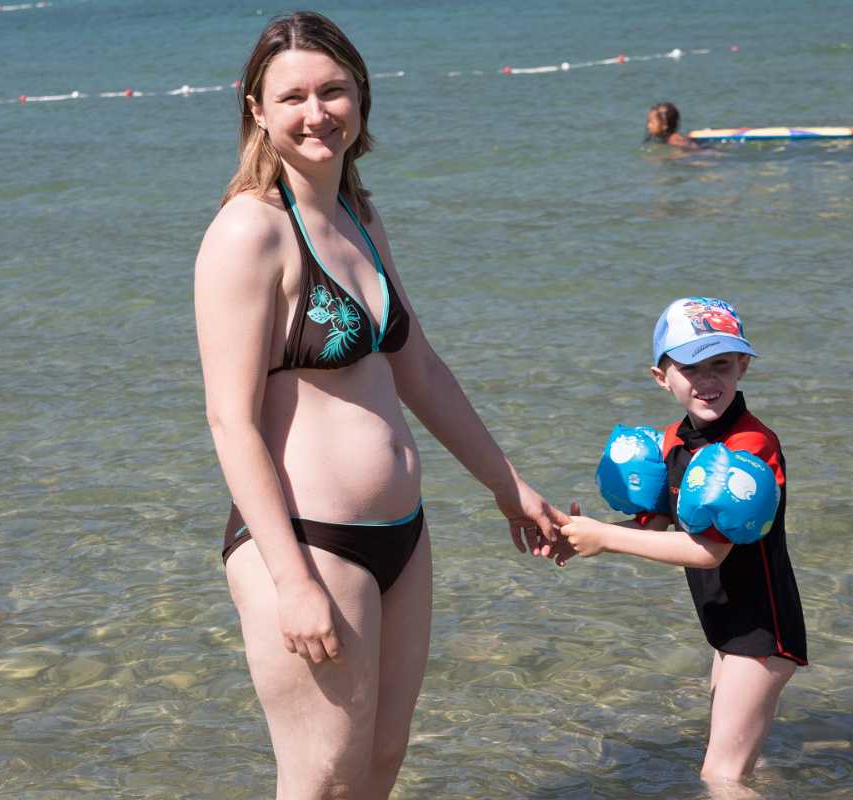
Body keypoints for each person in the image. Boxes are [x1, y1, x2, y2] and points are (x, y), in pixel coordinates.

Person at [194, 11, 573, 798]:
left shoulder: (360, 216)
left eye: (333, 91)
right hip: (310, 543)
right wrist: (292, 580)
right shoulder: (249, 232)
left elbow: (419, 368)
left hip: (402, 536)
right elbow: (231, 421)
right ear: (256, 110)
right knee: (323, 779)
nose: (316, 112)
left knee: (381, 763)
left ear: (361, 97)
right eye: (292, 96)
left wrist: (507, 485)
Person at [559, 297, 806, 785]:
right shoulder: (674, 440)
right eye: (691, 367)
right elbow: (655, 528)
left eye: (721, 364)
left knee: (721, 777)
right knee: (742, 764)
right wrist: (575, 535)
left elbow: (707, 550)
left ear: (743, 366)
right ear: (661, 377)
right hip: (726, 625)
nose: (707, 380)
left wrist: (605, 538)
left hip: (761, 631)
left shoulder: (750, 446)